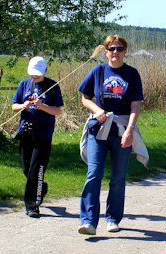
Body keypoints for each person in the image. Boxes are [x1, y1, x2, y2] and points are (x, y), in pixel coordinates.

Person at [77, 35, 147, 235]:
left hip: (122, 129)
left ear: (125, 51)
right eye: (111, 49)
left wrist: (130, 131)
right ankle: (88, 221)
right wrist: (97, 110)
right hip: (98, 129)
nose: (115, 52)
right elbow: (85, 98)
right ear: (105, 52)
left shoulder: (131, 74)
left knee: (118, 176)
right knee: (94, 173)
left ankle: (112, 218)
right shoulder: (98, 71)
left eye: (119, 48)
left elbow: (135, 105)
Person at [11, 56, 64, 218]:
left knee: (36, 170)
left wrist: (42, 106)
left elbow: (58, 111)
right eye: (33, 73)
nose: (35, 76)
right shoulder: (24, 84)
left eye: (38, 74)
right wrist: (23, 105)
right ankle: (41, 187)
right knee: (27, 169)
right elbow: (14, 106)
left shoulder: (52, 86)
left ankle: (32, 205)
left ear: (45, 71)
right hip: (26, 132)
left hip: (43, 134)